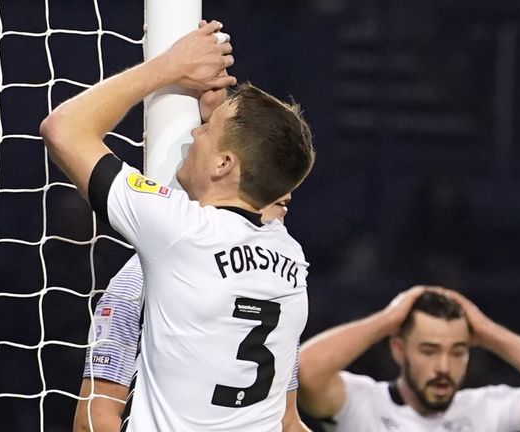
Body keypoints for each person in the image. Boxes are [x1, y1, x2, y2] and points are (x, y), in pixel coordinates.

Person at [41, 20, 315, 431]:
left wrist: (169, 67)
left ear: (225, 163)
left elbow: (63, 129)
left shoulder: (179, 233)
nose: (194, 130)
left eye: (205, 129)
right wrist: (220, 124)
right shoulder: (290, 260)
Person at [73, 195, 303, 432]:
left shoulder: (286, 291)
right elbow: (93, 419)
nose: (287, 194)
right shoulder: (138, 279)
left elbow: (286, 421)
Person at [298, 287, 520, 431]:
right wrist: (387, 319)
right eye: (429, 351)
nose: (444, 367)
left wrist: (490, 332)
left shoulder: (487, 412)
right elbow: (304, 371)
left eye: (458, 352)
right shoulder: (361, 404)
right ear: (399, 349)